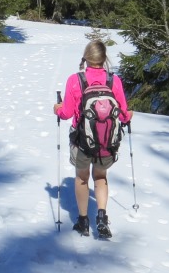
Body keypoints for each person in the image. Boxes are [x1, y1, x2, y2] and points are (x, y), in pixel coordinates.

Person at [53, 40, 132, 237]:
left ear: (86, 57)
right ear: (104, 58)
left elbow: (66, 113)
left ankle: (83, 221)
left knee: (81, 178)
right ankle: (102, 218)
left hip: (81, 141)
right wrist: (128, 115)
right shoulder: (114, 81)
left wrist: (57, 109)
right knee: (101, 177)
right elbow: (123, 115)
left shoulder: (75, 80)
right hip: (107, 142)